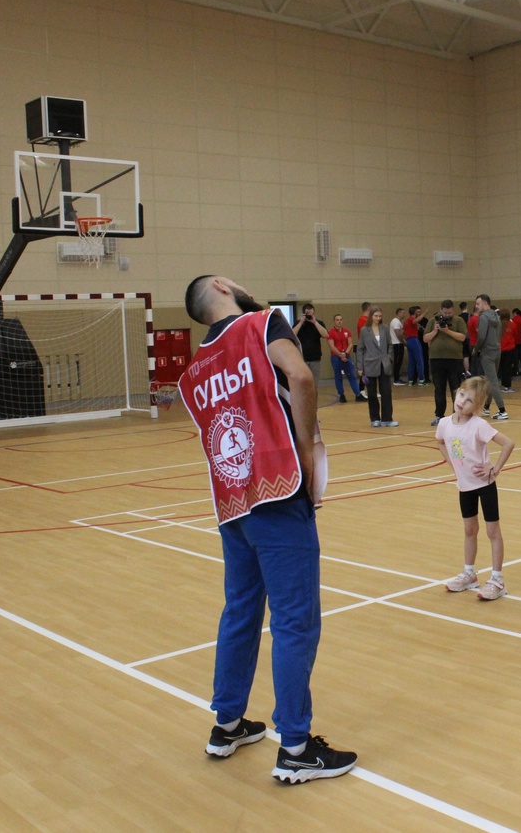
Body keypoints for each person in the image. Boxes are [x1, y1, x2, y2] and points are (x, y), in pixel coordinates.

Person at [178, 275, 357, 784]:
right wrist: (306, 448)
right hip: (278, 490)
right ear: (221, 285)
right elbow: (300, 378)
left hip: (231, 500)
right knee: (295, 620)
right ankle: (296, 748)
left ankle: (228, 724)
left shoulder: (193, 372)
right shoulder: (261, 323)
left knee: (240, 611)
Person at [437, 376, 517, 601]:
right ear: (456, 392)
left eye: (470, 400)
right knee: (469, 530)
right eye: (462, 394)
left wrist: (496, 469)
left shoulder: (479, 425)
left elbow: (508, 443)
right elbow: (440, 441)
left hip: (485, 486)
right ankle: (469, 574)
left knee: (493, 532)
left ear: (478, 406)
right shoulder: (444, 423)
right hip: (465, 487)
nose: (463, 401)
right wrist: (452, 465)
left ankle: (497, 579)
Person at [424, 300, 467, 426]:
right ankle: (439, 415)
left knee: (456, 388)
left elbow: (462, 337)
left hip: (454, 359)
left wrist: (447, 331)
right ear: (441, 309)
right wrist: (435, 331)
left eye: (450, 312)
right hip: (436, 360)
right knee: (439, 388)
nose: (447, 315)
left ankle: (457, 414)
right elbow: (425, 338)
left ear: (453, 310)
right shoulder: (433, 320)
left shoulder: (459, 321)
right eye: (445, 312)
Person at [358, 306, 398, 427]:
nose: (378, 318)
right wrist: (360, 367)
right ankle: (374, 418)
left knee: (386, 392)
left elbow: (390, 345)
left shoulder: (385, 328)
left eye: (380, 316)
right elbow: (360, 349)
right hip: (369, 364)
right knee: (371, 393)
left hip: (384, 364)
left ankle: (387, 418)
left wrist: (389, 358)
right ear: (371, 316)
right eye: (376, 316)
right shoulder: (365, 330)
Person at [473, 294, 508, 419]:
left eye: (478, 304)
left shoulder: (483, 318)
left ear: (484, 303)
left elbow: (481, 336)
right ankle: (486, 407)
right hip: (497, 350)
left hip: (487, 352)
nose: (476, 307)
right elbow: (499, 334)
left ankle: (502, 410)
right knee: (491, 379)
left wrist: (476, 349)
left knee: (492, 381)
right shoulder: (496, 316)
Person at [326, 314, 366, 404]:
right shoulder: (331, 332)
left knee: (352, 374)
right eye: (337, 320)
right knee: (338, 376)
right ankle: (341, 395)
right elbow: (331, 346)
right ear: (334, 321)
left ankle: (358, 394)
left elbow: (350, 343)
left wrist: (346, 353)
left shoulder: (347, 332)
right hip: (336, 357)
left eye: (340, 319)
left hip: (347, 356)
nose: (339, 321)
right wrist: (340, 355)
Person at [293, 303, 328, 386]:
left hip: (315, 359)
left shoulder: (319, 323)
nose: (310, 316)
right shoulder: (298, 323)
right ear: (303, 314)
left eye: (312, 314)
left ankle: (314, 399)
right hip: (302, 359)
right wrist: (301, 322)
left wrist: (315, 322)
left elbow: (325, 335)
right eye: (308, 314)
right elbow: (292, 334)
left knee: (314, 384)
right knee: (303, 383)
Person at [404, 305, 426, 386]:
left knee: (411, 361)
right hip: (414, 340)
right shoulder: (411, 319)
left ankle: (410, 380)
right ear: (415, 312)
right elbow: (415, 321)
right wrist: (424, 313)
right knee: (420, 360)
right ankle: (421, 379)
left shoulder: (406, 321)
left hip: (408, 340)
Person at [390, 308, 406, 385]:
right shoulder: (396, 322)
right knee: (397, 362)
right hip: (397, 344)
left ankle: (397, 378)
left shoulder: (397, 321)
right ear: (399, 313)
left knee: (398, 361)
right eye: (403, 313)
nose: (404, 315)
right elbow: (398, 334)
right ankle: (396, 379)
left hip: (397, 343)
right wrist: (403, 342)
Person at [510, 308, 521, 376]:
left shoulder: (512, 321)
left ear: (514, 313)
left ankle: (516, 370)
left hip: (514, 341)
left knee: (515, 357)